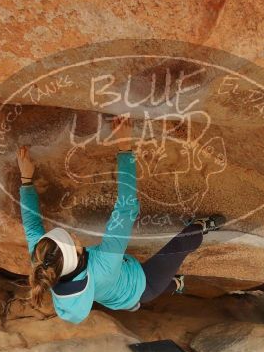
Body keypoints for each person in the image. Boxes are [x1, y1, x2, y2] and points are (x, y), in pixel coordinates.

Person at [17, 116, 224, 324]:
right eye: (72, 239)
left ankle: (176, 285)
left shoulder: (44, 259)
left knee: (166, 283)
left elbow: (32, 226)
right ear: (76, 253)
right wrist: (125, 149)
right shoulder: (104, 263)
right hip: (143, 285)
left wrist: (25, 180)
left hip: (116, 297)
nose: (72, 234)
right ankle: (201, 227)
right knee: (182, 243)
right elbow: (126, 208)